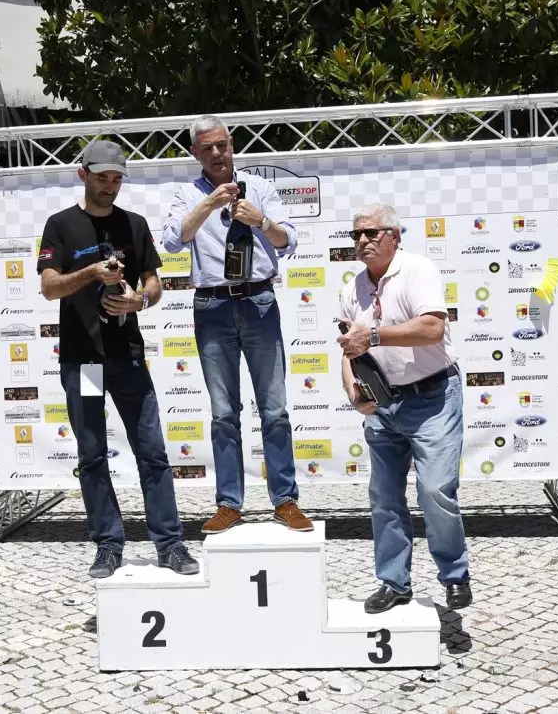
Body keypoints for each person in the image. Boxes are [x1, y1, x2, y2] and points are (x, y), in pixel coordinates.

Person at [39, 140, 199, 579]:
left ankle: (170, 544)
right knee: (92, 454)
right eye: (102, 177)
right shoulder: (61, 225)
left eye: (116, 179)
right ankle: (108, 545)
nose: (110, 187)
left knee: (152, 451)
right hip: (85, 361)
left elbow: (154, 283)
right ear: (83, 174)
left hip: (126, 357)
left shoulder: (134, 224)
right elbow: (50, 287)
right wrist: (91, 273)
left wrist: (138, 303)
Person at [161, 114, 312, 534]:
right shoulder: (186, 194)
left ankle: (285, 500)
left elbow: (289, 241)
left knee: (275, 409)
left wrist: (260, 220)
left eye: (222, 145)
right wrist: (209, 203)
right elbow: (174, 239)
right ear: (195, 153)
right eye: (207, 147)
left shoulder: (261, 188)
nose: (216, 153)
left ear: (232, 146)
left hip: (259, 301)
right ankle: (229, 503)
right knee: (224, 411)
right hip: (212, 305)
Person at [336, 203, 472, 614]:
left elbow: (432, 328)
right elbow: (347, 348)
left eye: (372, 233)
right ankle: (394, 582)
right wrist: (354, 394)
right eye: (356, 235)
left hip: (432, 399)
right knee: (384, 498)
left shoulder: (418, 270)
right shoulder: (351, 289)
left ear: (395, 235)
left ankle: (454, 575)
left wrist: (373, 336)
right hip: (383, 405)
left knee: (435, 492)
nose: (362, 241)